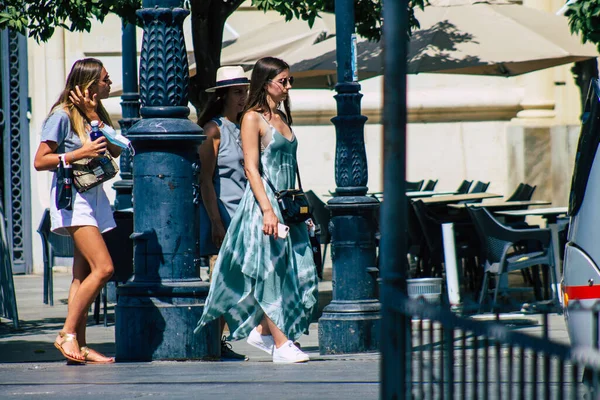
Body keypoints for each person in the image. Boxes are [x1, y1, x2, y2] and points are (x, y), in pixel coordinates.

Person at [195, 56, 318, 364]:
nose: (289, 86)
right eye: (284, 81)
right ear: (267, 83)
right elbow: (251, 168)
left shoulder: (280, 118)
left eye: (290, 81)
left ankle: (263, 330)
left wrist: (305, 209)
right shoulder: (251, 119)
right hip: (263, 206)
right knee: (270, 272)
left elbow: (290, 167)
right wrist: (267, 210)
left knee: (297, 273)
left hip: (288, 208)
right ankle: (280, 343)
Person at [34, 58, 121, 364]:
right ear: (88, 84)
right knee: (104, 268)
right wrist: (76, 154)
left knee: (81, 274)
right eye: (104, 79)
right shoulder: (61, 116)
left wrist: (93, 117)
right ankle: (66, 333)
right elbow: (40, 160)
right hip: (73, 199)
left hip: (94, 196)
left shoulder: (93, 114)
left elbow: (117, 149)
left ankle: (79, 347)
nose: (109, 83)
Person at [197, 65, 250, 360]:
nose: (243, 98)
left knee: (232, 281)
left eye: (244, 92)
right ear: (223, 95)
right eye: (237, 92)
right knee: (223, 281)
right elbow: (206, 180)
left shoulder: (245, 126)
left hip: (245, 215)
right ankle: (213, 343)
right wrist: (216, 222)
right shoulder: (213, 131)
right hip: (225, 217)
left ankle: (217, 342)